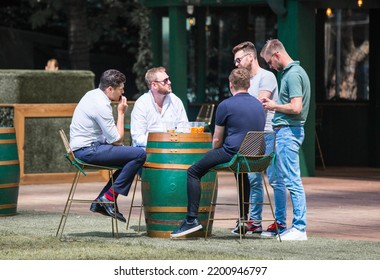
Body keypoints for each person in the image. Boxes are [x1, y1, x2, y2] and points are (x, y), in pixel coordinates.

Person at [170, 68, 265, 238]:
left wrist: (212, 154)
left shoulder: (225, 105)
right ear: (249, 84)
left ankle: (191, 220)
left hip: (232, 153)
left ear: (230, 84)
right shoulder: (259, 104)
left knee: (193, 171)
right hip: (256, 155)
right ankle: (243, 220)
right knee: (241, 172)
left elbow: (217, 141)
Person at [69, 69, 146, 223]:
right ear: (110, 89)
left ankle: (103, 200)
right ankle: (107, 198)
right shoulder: (101, 105)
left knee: (130, 160)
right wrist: (121, 113)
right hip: (87, 151)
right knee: (139, 154)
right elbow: (117, 140)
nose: (123, 92)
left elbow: (112, 140)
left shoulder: (92, 94)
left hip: (86, 148)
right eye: (121, 89)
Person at [260, 39, 310, 241]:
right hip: (285, 131)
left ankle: (299, 227)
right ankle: (293, 226)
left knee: (292, 180)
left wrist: (274, 106)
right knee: (284, 179)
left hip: (289, 132)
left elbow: (296, 107)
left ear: (276, 55)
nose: (270, 67)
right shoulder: (290, 73)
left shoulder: (293, 74)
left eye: (270, 62)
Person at [232, 41, 281, 236]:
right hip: (251, 135)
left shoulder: (266, 76)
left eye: (238, 59)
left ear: (250, 57)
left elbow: (258, 104)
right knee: (253, 180)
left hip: (268, 132)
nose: (236, 64)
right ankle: (254, 221)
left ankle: (280, 222)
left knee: (275, 180)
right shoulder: (244, 82)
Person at [130, 66, 189, 148]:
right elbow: (138, 138)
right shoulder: (142, 103)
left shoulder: (175, 101)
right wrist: (161, 142)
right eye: (165, 80)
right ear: (154, 85)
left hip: (173, 149)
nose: (169, 82)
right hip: (148, 151)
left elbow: (184, 129)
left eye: (168, 79)